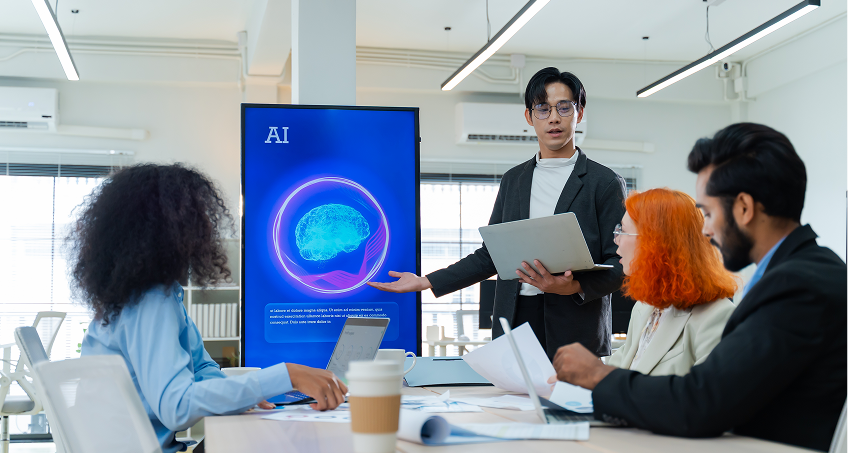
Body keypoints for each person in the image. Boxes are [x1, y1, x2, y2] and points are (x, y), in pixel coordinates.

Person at [549, 123, 848, 451]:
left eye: (707, 213)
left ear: (744, 209)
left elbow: (702, 401)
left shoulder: (797, 285)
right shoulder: (798, 273)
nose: (704, 231)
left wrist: (597, 376)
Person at [73, 164, 347, 453]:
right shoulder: (150, 301)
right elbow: (176, 406)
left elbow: (201, 368)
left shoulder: (148, 296)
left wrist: (243, 394)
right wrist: (286, 375)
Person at [369, 67, 626, 359]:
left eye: (564, 107)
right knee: (509, 404)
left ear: (579, 113)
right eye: (543, 108)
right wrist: (427, 281)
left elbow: (621, 264)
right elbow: (492, 255)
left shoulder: (603, 182)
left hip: (575, 323)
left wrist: (573, 286)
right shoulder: (514, 180)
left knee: (567, 405)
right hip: (515, 320)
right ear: (529, 117)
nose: (553, 117)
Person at [606, 188, 737, 376]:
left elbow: (707, 398)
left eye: (623, 231)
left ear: (654, 242)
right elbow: (620, 366)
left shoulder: (718, 317)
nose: (616, 240)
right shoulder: (645, 307)